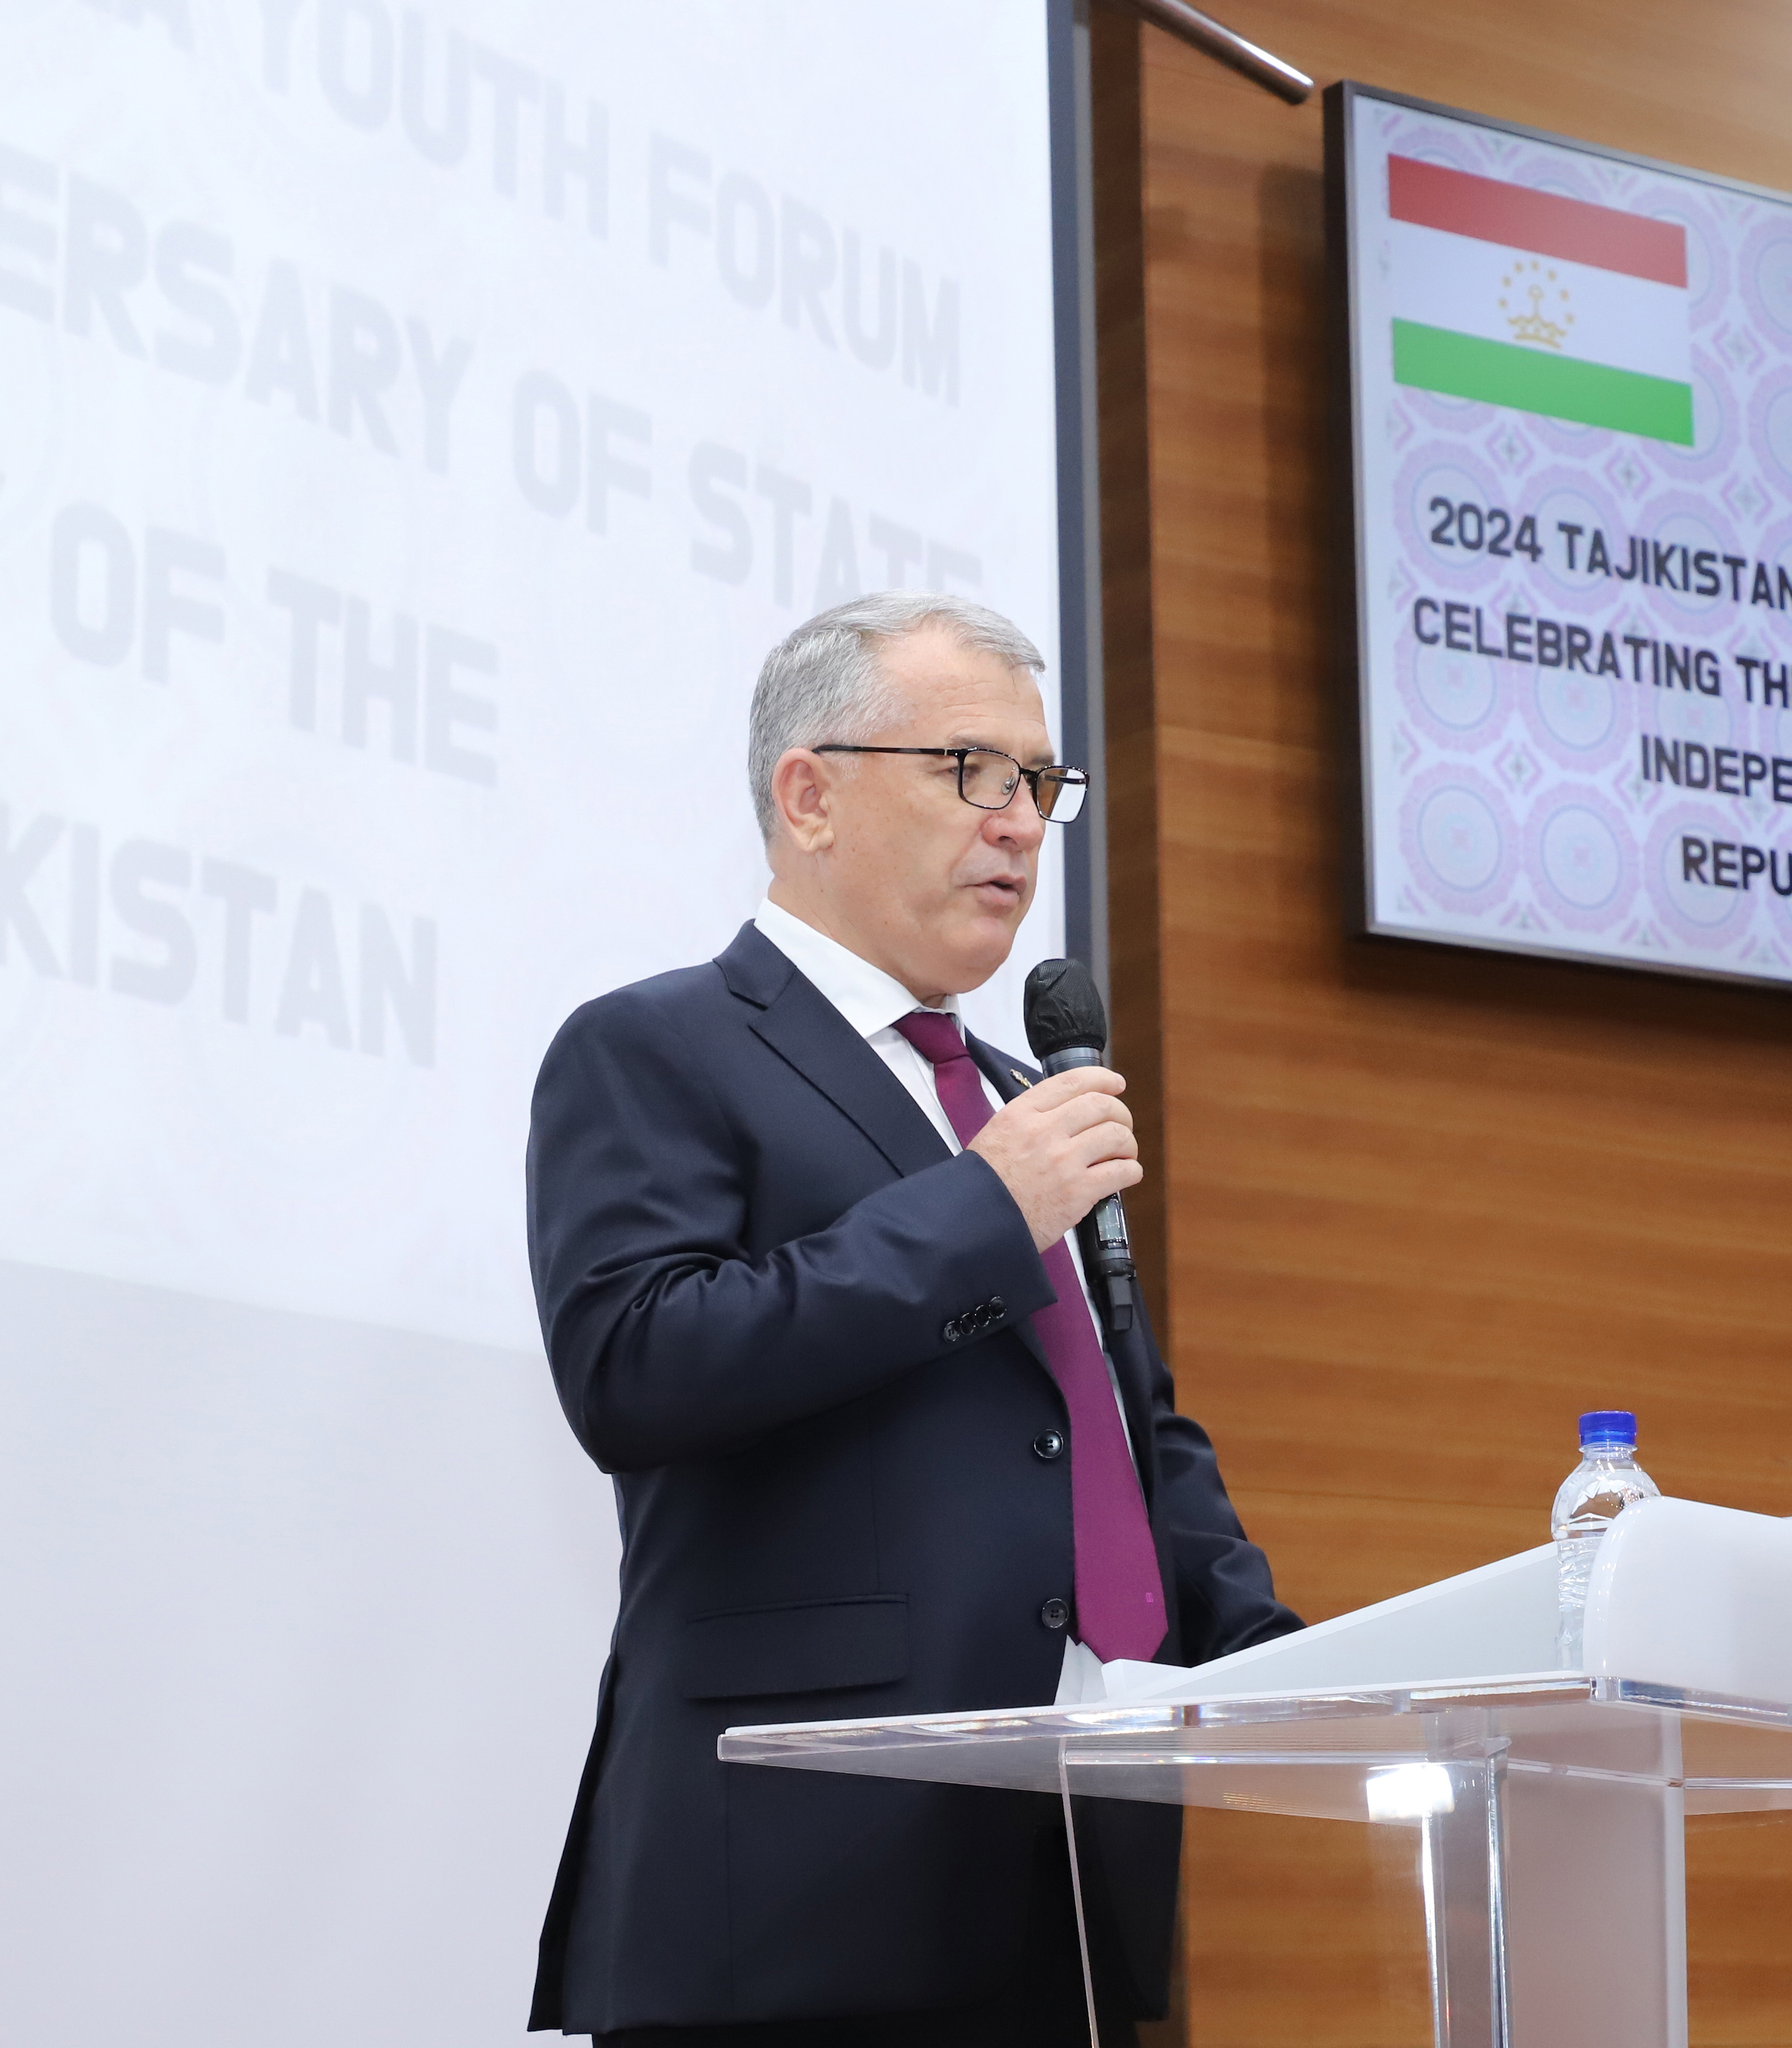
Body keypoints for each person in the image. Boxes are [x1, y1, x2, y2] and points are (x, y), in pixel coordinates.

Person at [524, 592, 1301, 2047]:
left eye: (1039, 784)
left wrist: (1290, 1667)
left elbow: (1124, 1427)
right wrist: (980, 1212)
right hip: (796, 1884)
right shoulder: (656, 1048)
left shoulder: (1016, 1093)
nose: (1017, 821)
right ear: (808, 795)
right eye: (970, 771)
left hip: (1066, 1868)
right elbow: (636, 1366)